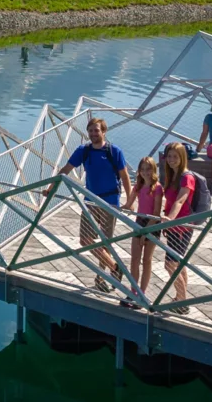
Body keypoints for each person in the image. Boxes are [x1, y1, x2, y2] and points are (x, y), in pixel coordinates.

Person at [58, 115, 132, 293]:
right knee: (85, 240)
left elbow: (124, 176)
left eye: (96, 130)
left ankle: (101, 278)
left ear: (104, 132)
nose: (93, 134)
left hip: (110, 202)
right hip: (90, 201)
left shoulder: (114, 151)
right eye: (90, 131)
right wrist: (51, 186)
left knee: (106, 242)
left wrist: (130, 201)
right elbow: (66, 170)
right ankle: (115, 268)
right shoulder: (83, 151)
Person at [157, 142, 200, 307]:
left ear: (182, 158)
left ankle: (182, 302)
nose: (171, 160)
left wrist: (170, 219)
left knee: (170, 264)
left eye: (175, 156)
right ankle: (181, 299)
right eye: (169, 156)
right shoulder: (173, 175)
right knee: (178, 264)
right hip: (175, 227)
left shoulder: (186, 177)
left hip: (181, 227)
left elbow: (181, 200)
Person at [127, 156, 162, 308]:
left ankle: (142, 292)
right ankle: (133, 292)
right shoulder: (138, 186)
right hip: (139, 222)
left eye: (148, 169)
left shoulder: (158, 187)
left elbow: (156, 212)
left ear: (154, 170)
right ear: (139, 171)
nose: (145, 173)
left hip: (152, 224)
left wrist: (146, 231)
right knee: (134, 259)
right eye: (142, 170)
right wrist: (116, 208)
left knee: (146, 260)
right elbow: (129, 204)